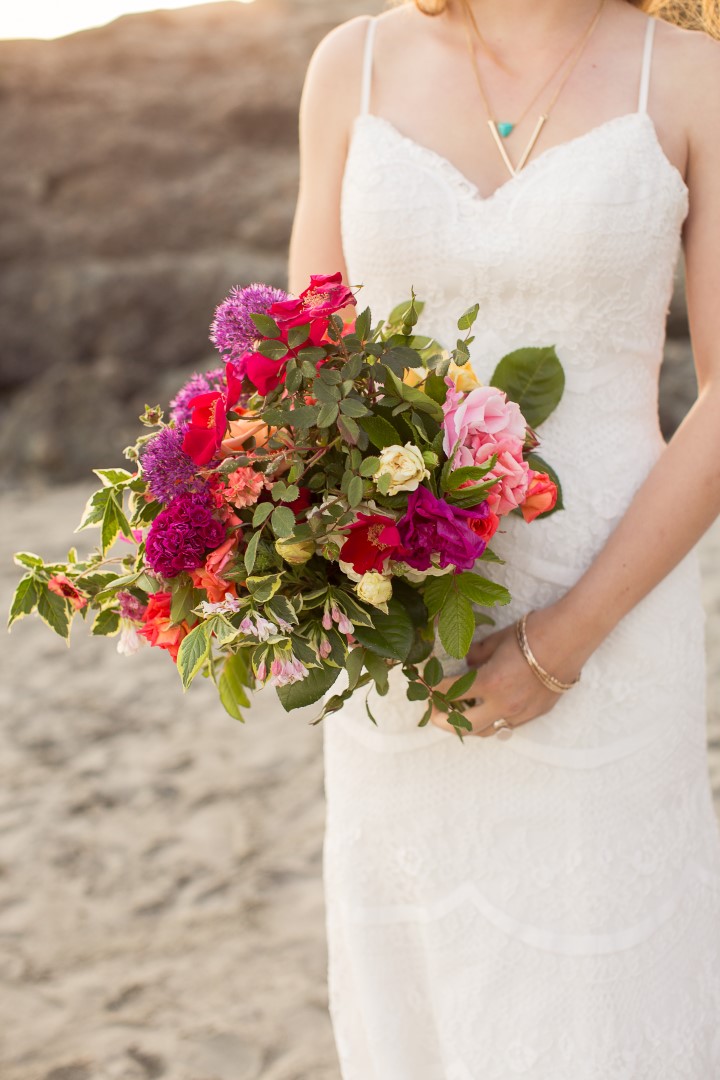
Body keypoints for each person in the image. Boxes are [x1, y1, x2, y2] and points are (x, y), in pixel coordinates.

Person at [288, 0, 720, 1075]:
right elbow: (303, 368)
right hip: (399, 629)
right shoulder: (354, 63)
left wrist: (562, 641)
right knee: (423, 989)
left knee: (605, 1000)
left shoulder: (691, 77)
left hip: (615, 610)